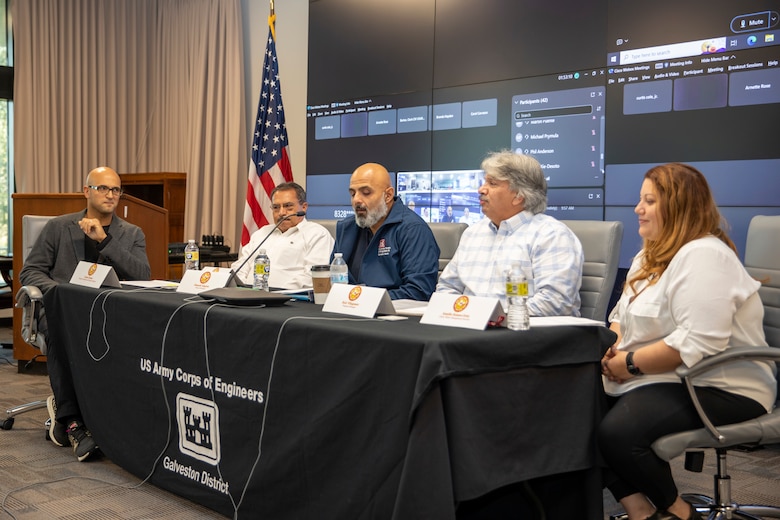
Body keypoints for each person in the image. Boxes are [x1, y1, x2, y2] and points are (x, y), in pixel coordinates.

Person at [598, 163, 776, 520]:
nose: (638, 209)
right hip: (663, 376)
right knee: (571, 407)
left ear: (678, 208)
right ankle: (640, 511)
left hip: (722, 385)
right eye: (639, 200)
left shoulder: (705, 255)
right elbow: (621, 312)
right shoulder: (650, 252)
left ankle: (679, 513)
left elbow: (697, 344)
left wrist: (629, 365)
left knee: (619, 433)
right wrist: (613, 348)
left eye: (649, 200)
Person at [19, 166, 152, 461]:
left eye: (116, 190)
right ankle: (72, 422)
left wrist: (105, 240)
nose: (110, 195)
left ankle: (117, 420)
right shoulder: (58, 227)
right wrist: (62, 294)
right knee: (62, 331)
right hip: (63, 311)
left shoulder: (131, 234)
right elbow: (29, 272)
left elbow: (142, 273)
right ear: (86, 191)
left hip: (110, 313)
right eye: (103, 188)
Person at [436, 150, 583, 316]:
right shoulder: (473, 233)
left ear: (518, 196)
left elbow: (555, 302)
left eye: (492, 184)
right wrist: (458, 315)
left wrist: (489, 317)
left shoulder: (552, 235)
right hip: (468, 330)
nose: (481, 190)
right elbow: (447, 287)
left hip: (525, 334)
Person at [332, 162, 439, 301]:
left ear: (388, 195)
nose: (356, 200)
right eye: (353, 194)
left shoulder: (413, 229)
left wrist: (365, 299)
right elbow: (332, 279)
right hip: (347, 311)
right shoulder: (347, 228)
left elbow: (419, 291)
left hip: (393, 317)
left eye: (366, 193)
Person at [231, 182, 334, 288]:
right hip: (248, 297)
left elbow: (313, 276)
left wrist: (277, 292)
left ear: (303, 207)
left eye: (288, 206)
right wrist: (240, 288)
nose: (281, 213)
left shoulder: (317, 234)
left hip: (289, 300)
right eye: (276, 207)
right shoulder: (262, 233)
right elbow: (241, 266)